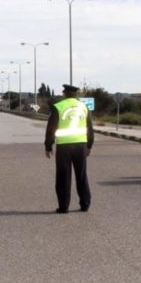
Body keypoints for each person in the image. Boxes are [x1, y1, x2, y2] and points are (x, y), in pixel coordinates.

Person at [45, 84, 94, 213]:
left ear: (65, 93)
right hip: (80, 145)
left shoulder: (59, 107)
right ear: (76, 95)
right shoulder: (84, 107)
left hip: (64, 147)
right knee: (81, 175)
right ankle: (85, 204)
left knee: (63, 177)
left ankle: (63, 206)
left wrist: (48, 146)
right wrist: (89, 145)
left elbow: (51, 128)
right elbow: (89, 127)